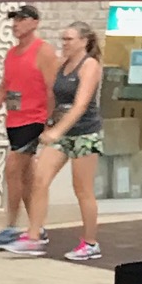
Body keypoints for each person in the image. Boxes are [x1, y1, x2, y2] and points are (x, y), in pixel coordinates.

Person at [13, 20, 105, 263]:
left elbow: (80, 104)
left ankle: (90, 242)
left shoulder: (90, 65)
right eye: (63, 39)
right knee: (39, 178)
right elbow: (53, 98)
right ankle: (34, 236)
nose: (64, 43)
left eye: (69, 39)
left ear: (83, 41)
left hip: (85, 133)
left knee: (82, 189)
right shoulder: (63, 64)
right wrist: (48, 125)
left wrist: (58, 131)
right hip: (60, 132)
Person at [0, 4, 56, 251]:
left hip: (35, 121)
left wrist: (50, 122)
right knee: (25, 178)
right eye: (14, 19)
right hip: (14, 121)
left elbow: (52, 90)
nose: (15, 24)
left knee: (12, 168)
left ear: (35, 22)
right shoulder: (11, 54)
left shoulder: (44, 52)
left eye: (21, 19)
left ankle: (10, 226)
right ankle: (36, 229)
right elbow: (4, 90)